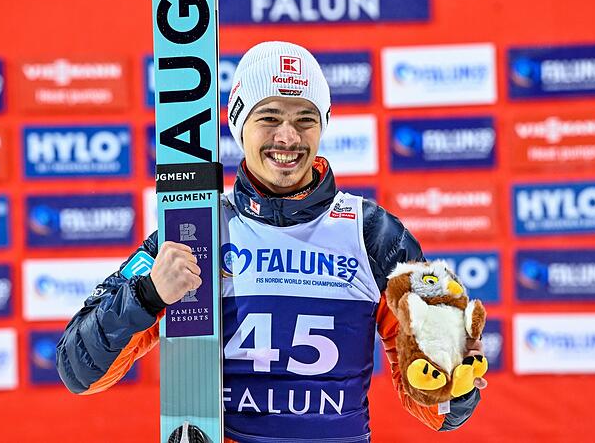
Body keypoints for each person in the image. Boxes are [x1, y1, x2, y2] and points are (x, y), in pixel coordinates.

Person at [56, 41, 485, 442]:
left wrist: (453, 375)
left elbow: (438, 407)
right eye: (269, 117)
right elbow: (79, 371)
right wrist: (147, 295)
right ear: (239, 124)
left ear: (322, 127)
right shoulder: (196, 232)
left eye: (305, 119)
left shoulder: (375, 235)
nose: (288, 137)